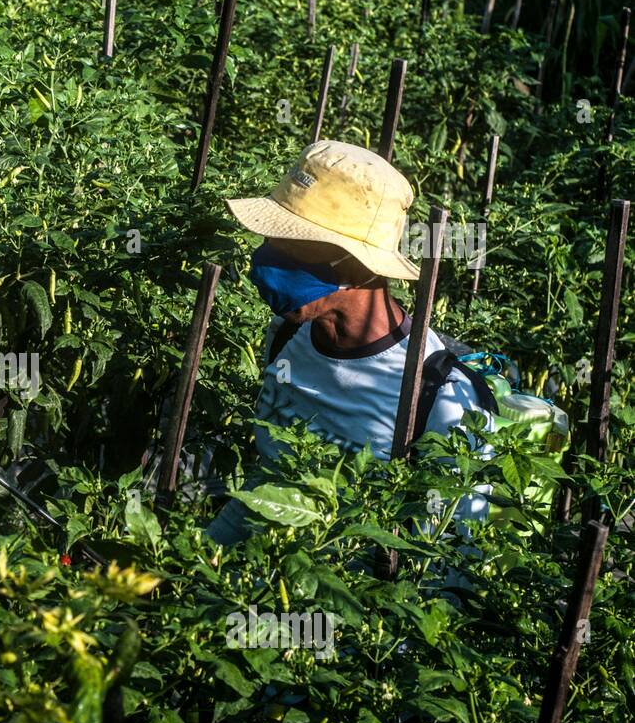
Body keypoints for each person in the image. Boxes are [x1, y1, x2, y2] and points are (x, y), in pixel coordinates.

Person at [206, 139, 491, 546]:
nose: (270, 257)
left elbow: (447, 563)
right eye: (273, 238)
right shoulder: (288, 334)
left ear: (357, 266)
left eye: (295, 245)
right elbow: (266, 485)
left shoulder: (441, 398)